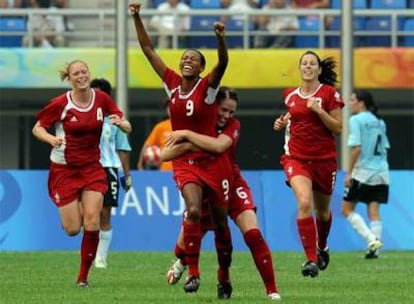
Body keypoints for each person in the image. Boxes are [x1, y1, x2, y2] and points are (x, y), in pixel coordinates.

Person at [129, 2, 233, 293]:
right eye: (184, 57)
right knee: (193, 211)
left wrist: (221, 40)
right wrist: (137, 17)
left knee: (221, 225)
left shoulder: (208, 88)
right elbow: (149, 49)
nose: (187, 60)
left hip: (210, 160)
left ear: (200, 67)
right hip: (184, 161)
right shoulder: (172, 83)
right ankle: (194, 274)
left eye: (193, 59)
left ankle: (215, 273)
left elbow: (222, 64)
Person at [162, 87, 281, 301]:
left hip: (232, 184)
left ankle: (271, 291)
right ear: (212, 106)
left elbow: (219, 146)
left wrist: (189, 139)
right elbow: (165, 154)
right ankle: (182, 262)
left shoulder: (233, 126)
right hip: (205, 189)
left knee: (253, 234)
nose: (227, 116)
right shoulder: (196, 122)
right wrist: (189, 143)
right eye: (223, 110)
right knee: (181, 248)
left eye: (231, 112)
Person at [32, 60, 132, 287]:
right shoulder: (60, 103)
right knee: (72, 229)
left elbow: (122, 121)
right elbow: (37, 128)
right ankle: (75, 202)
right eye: (76, 74)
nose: (81, 76)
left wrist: (124, 125)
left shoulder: (102, 99)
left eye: (84, 72)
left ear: (89, 73)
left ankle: (83, 278)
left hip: (92, 168)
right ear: (69, 79)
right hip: (64, 169)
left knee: (93, 220)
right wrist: (51, 139)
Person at [273, 50, 344, 278]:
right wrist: (281, 121)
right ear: (300, 68)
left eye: (312, 64)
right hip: (297, 158)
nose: (308, 67)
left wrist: (319, 110)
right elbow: (293, 115)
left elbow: (338, 128)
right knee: (304, 202)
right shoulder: (290, 95)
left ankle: (322, 246)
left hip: (324, 161)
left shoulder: (330, 94)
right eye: (304, 63)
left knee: (322, 213)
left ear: (319, 70)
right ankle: (310, 259)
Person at [90, 78, 133, 269]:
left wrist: (127, 175)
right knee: (87, 214)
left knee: (105, 214)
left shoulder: (115, 120)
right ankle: (89, 252)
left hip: (108, 169)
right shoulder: (82, 117)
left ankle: (100, 258)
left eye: (100, 94)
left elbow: (122, 149)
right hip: (86, 168)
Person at [341, 90, 389, 259]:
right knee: (374, 211)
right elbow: (384, 148)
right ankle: (375, 250)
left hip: (363, 172)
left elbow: (357, 148)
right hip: (382, 171)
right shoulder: (379, 122)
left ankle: (371, 240)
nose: (350, 103)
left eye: (353, 100)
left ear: (361, 103)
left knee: (346, 209)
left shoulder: (355, 120)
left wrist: (349, 173)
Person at [137, 99, 173, 171]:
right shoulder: (161, 126)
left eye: (172, 106)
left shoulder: (187, 125)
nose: (170, 109)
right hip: (165, 170)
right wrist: (140, 164)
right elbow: (147, 145)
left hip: (184, 169)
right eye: (168, 107)